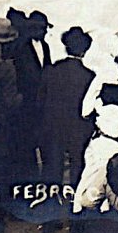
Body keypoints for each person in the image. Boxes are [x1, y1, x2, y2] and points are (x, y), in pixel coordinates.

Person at [38, 26, 96, 185]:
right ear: (84, 51)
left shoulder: (50, 71)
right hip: (78, 129)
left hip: (53, 126)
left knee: (51, 169)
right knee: (77, 169)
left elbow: (40, 101)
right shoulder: (89, 76)